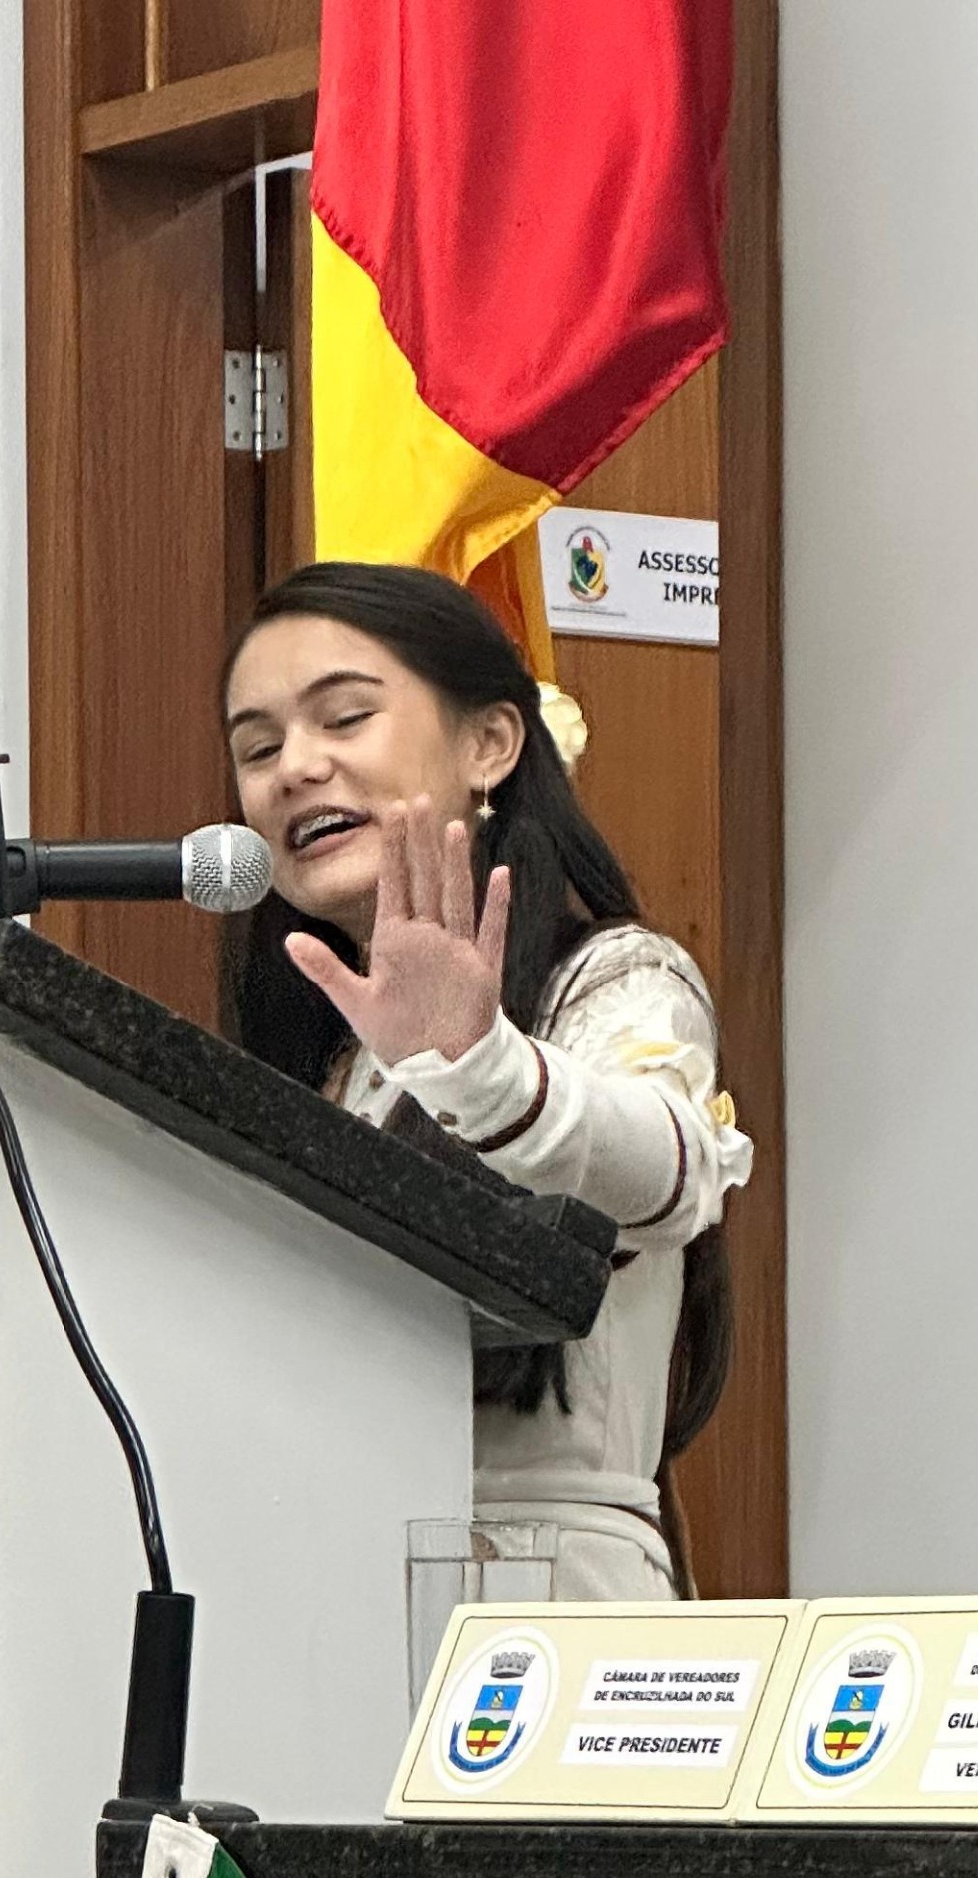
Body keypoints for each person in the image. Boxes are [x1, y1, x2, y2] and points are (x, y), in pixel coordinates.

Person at [223, 560, 752, 1599]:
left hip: (552, 1609)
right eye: (257, 746)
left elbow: (671, 1173)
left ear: (491, 745)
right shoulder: (330, 1063)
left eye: (345, 717)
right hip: (334, 1600)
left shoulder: (614, 978)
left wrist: (487, 1072)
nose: (295, 767)